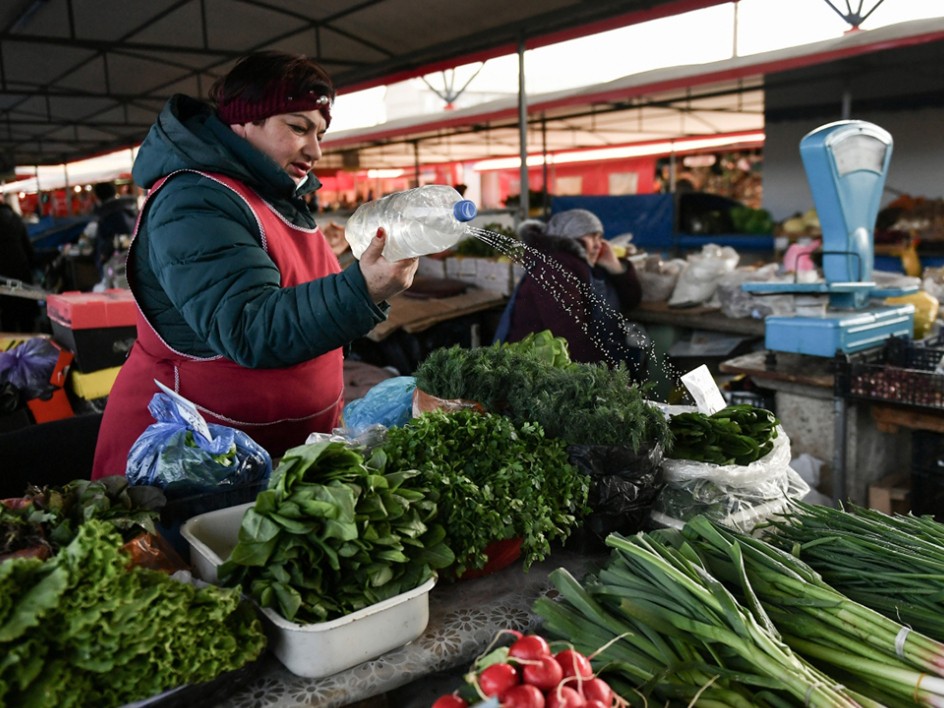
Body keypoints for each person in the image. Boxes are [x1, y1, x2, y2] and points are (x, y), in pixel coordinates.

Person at [91, 51, 417, 480]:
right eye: (298, 127)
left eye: (319, 132)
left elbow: (291, 301)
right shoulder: (192, 198)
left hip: (277, 455)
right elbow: (247, 326)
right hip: (193, 462)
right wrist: (362, 289)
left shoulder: (274, 198)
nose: (315, 149)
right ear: (243, 123)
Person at [497, 208, 646, 376]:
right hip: (539, 371)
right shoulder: (554, 268)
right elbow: (570, 333)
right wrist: (608, 379)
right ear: (568, 236)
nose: (598, 244)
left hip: (576, 366)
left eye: (599, 237)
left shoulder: (588, 264)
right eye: (590, 236)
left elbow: (631, 301)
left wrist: (616, 267)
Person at [0, 195, 40, 333]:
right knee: (25, 317)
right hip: (21, 272)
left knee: (7, 319)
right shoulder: (15, 219)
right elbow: (28, 249)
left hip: (2, 277)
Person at [90, 181, 139, 277]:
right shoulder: (127, 210)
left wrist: (103, 255)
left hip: (115, 261)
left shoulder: (106, 214)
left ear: (97, 197)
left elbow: (108, 239)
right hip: (132, 257)